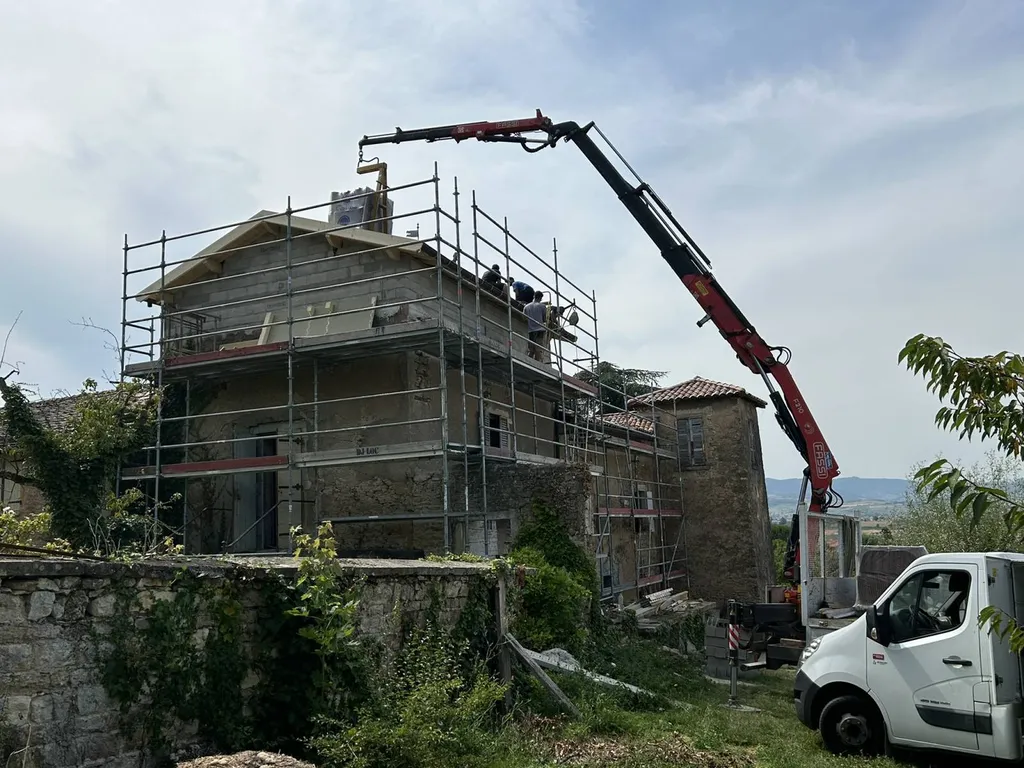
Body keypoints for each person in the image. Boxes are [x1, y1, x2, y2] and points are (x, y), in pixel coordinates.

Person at [524, 291, 548, 361]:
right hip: (540, 329)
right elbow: (544, 319)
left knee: (531, 349)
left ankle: (529, 361)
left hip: (531, 330)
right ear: (540, 298)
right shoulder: (542, 306)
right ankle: (538, 363)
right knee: (538, 348)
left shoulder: (526, 307)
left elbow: (524, 318)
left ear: (534, 296)